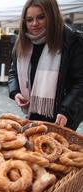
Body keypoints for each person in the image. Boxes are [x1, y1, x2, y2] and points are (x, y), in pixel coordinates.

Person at [8, 0, 83, 131]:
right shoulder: (23, 41)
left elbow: (80, 82)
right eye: (29, 19)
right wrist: (15, 92)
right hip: (33, 113)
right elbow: (13, 71)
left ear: (52, 15)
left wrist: (65, 110)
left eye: (41, 17)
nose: (34, 24)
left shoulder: (71, 40)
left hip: (63, 117)